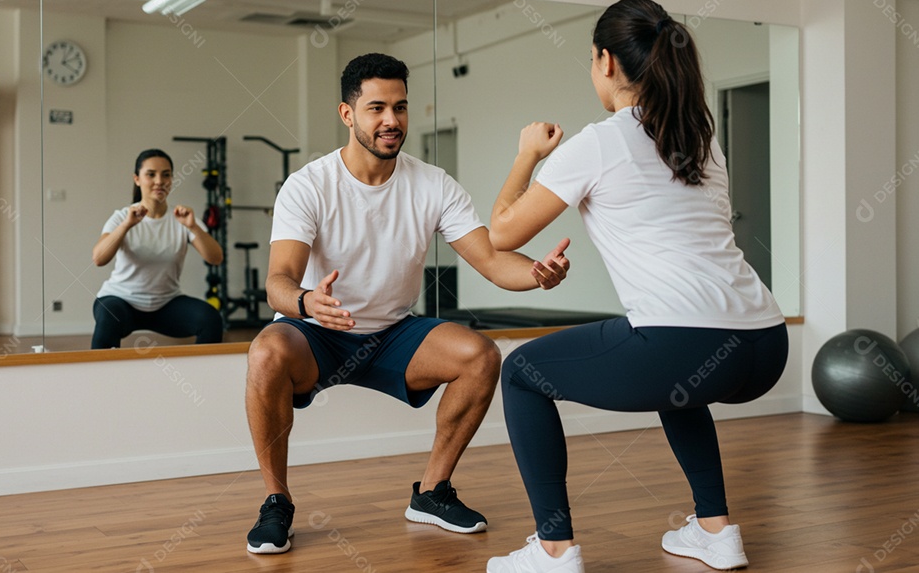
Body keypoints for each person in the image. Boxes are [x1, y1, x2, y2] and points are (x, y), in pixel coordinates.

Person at [484, 0, 789, 573]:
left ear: (605, 61)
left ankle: (553, 549)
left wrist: (527, 156)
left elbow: (502, 232)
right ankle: (715, 530)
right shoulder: (702, 138)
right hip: (764, 343)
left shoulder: (600, 142)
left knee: (522, 374)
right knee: (681, 387)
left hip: (687, 343)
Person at [244, 53, 571, 555]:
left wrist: (535, 273)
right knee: (265, 352)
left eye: (400, 107)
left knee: (480, 357)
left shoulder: (433, 184)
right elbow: (278, 281)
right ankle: (276, 501)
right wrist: (307, 302)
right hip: (317, 331)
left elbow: (488, 258)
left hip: (393, 332)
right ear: (347, 113)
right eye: (376, 108)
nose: (391, 120)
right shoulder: (308, 185)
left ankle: (432, 492)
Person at [91, 149, 225, 349]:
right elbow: (99, 259)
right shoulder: (121, 217)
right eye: (151, 174)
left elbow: (215, 258)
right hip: (121, 301)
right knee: (109, 316)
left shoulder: (183, 219)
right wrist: (126, 226)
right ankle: (100, 379)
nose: (159, 181)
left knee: (210, 319)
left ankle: (199, 377)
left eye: (166, 174)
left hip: (166, 303)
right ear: (137, 179)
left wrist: (193, 227)